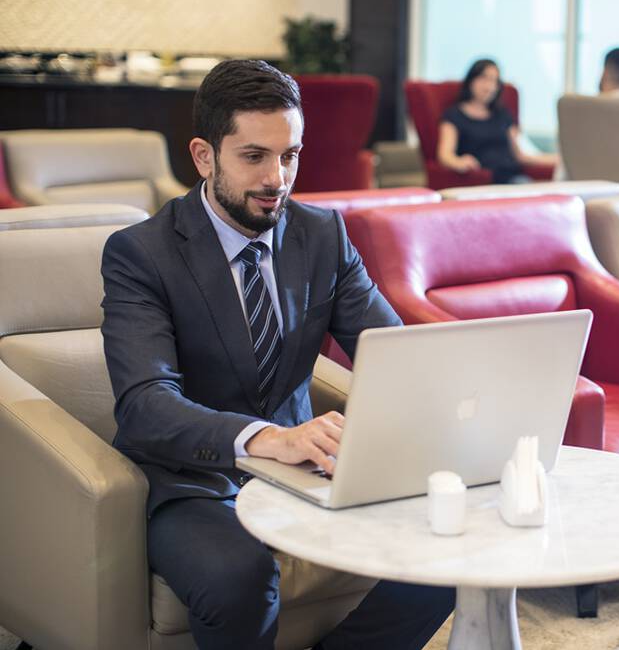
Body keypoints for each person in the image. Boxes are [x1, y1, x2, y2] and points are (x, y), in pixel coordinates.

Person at [101, 59, 455, 650]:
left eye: (290, 155)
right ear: (204, 156)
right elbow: (144, 405)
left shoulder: (323, 236)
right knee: (239, 576)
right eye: (254, 156)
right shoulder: (141, 254)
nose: (277, 178)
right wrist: (269, 438)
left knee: (452, 536)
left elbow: (392, 354)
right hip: (192, 480)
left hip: (306, 470)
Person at [437, 58, 558, 184]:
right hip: (482, 179)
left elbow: (520, 155)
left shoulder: (503, 114)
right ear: (471, 80)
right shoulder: (454, 115)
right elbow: (445, 155)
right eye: (484, 78)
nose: (489, 86)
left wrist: (559, 159)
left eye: (494, 81)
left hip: (513, 176)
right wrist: (459, 162)